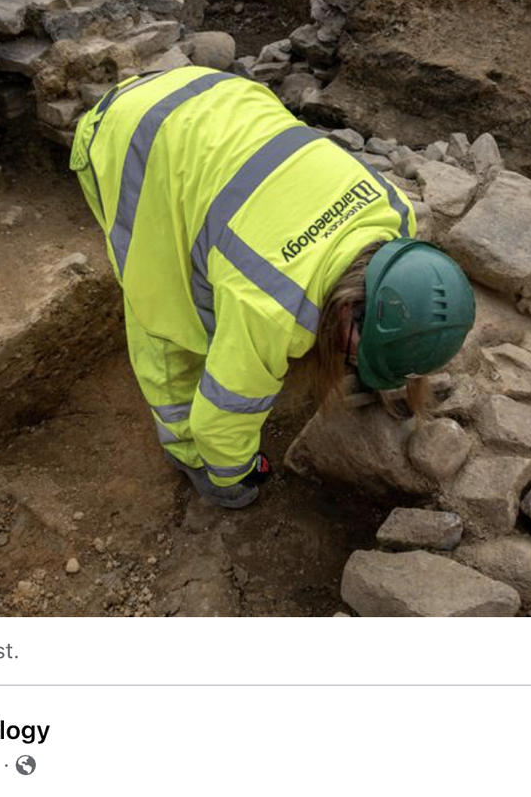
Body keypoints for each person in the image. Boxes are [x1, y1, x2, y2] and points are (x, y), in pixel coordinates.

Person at [70, 66, 475, 509]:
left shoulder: (393, 214)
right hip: (127, 136)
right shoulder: (271, 311)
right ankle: (185, 454)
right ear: (348, 311)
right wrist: (236, 476)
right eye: (358, 353)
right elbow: (221, 421)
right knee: (165, 309)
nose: (352, 361)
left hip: (211, 92)